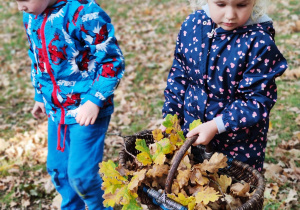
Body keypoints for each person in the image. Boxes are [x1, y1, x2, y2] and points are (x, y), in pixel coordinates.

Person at [16, 0, 124, 209]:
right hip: (56, 109)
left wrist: (94, 101)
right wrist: (40, 95)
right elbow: (37, 57)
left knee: (81, 176)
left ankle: (98, 206)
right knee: (59, 170)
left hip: (87, 109)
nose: (21, 6)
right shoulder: (31, 16)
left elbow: (111, 60)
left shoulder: (85, 13)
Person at [160, 0, 288, 171]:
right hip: (191, 131)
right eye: (221, 4)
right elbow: (179, 75)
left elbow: (257, 100)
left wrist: (217, 125)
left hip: (238, 144)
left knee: (232, 191)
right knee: (190, 184)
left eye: (241, 5)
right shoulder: (193, 25)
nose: (230, 15)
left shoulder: (258, 42)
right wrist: (171, 115)